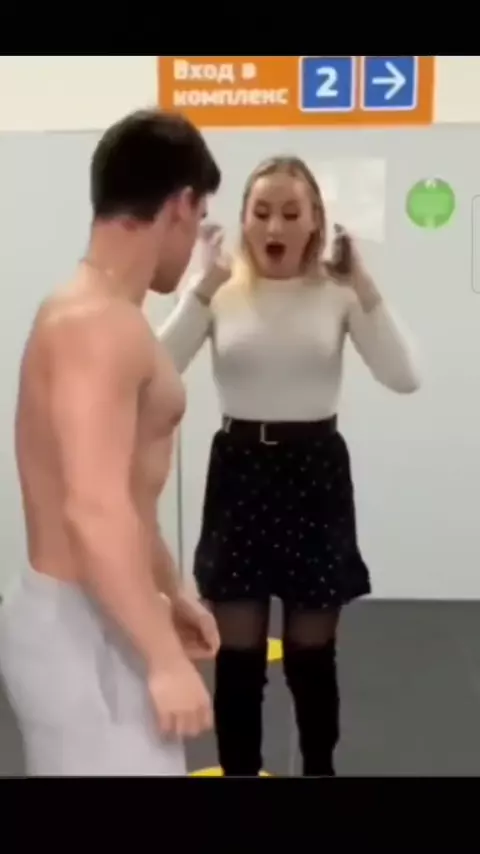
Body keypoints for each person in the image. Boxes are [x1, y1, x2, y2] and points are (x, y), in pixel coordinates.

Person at [158, 155, 421, 777]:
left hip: (315, 477)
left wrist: (366, 285)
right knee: (239, 661)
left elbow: (404, 376)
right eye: (261, 211)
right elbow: (155, 366)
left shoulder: (336, 292)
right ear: (245, 219)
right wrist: (201, 285)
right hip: (240, 475)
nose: (274, 225)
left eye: (290, 212)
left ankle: (319, 771)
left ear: (314, 223)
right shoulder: (221, 289)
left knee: (311, 657)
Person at [0, 108, 222, 776]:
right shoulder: (96, 323)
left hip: (103, 614)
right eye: (200, 216)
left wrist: (168, 591)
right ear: (181, 205)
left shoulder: (104, 316)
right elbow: (93, 508)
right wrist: (163, 658)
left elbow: (126, 494)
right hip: (78, 629)